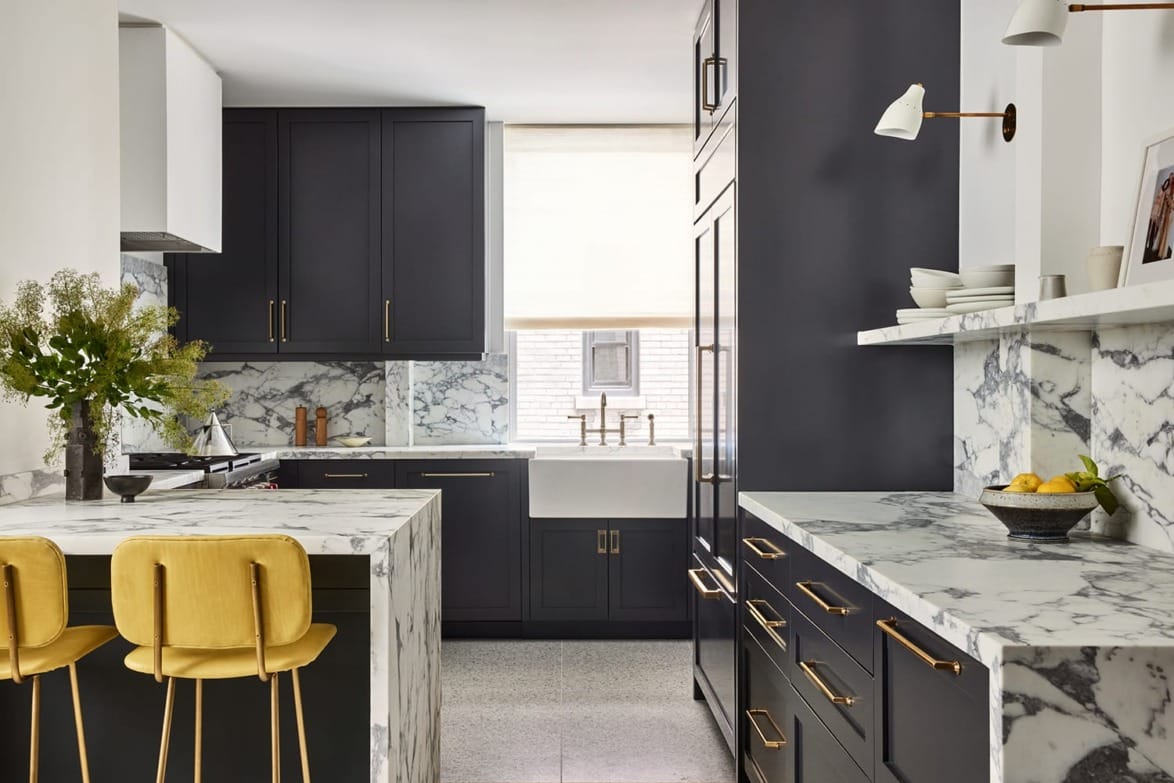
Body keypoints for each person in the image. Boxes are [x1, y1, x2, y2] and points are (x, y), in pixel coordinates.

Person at [1145, 172, 1174, 264]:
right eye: (1170, 177)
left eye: (1172, 177)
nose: (1171, 179)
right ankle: (1156, 247)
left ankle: (1162, 252)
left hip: (1170, 214)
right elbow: (1162, 193)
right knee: (1160, 229)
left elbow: (1172, 204)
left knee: (1165, 232)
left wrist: (1169, 200)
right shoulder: (1167, 185)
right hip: (1164, 212)